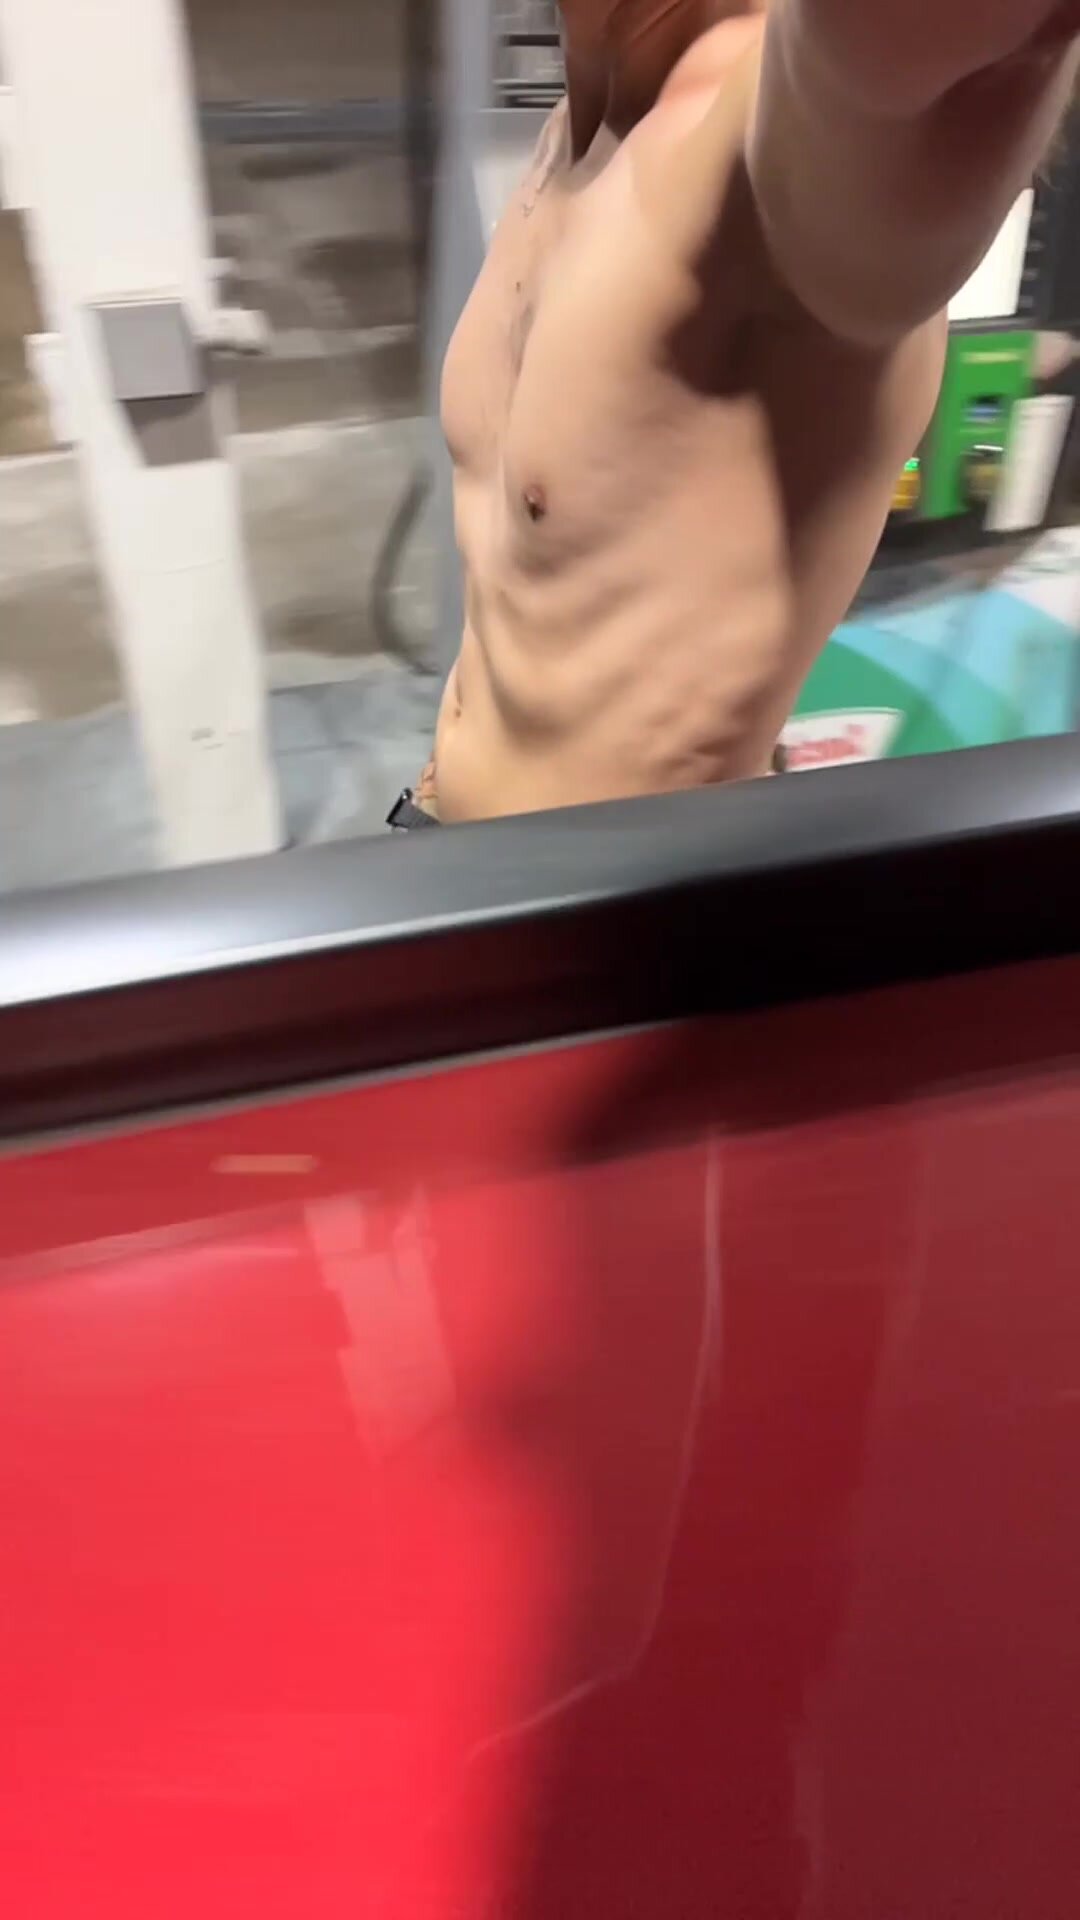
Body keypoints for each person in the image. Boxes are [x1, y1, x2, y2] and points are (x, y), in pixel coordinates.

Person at [390, 0, 1080, 830]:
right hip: (441, 832)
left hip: (627, 895)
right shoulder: (578, 126)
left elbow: (908, 60)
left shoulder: (766, 137)